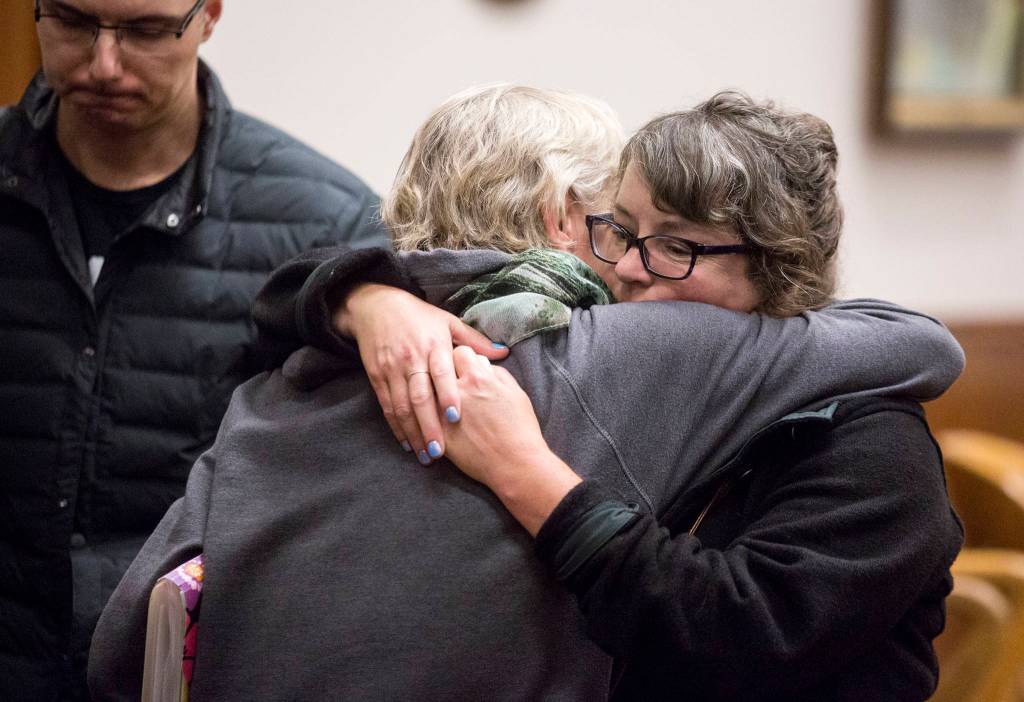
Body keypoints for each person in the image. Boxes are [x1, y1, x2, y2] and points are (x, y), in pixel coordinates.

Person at [91, 85, 962, 701]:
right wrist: (365, 298)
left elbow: (735, 638)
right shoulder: (542, 348)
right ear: (567, 214)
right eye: (619, 228)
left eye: (675, 247)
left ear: (784, 267)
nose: (624, 266)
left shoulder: (868, 443)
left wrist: (527, 474)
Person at [0, 0, 387, 698]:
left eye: (146, 30)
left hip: (185, 674)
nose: (103, 63)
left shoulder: (324, 223)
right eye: (72, 23)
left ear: (208, 15)